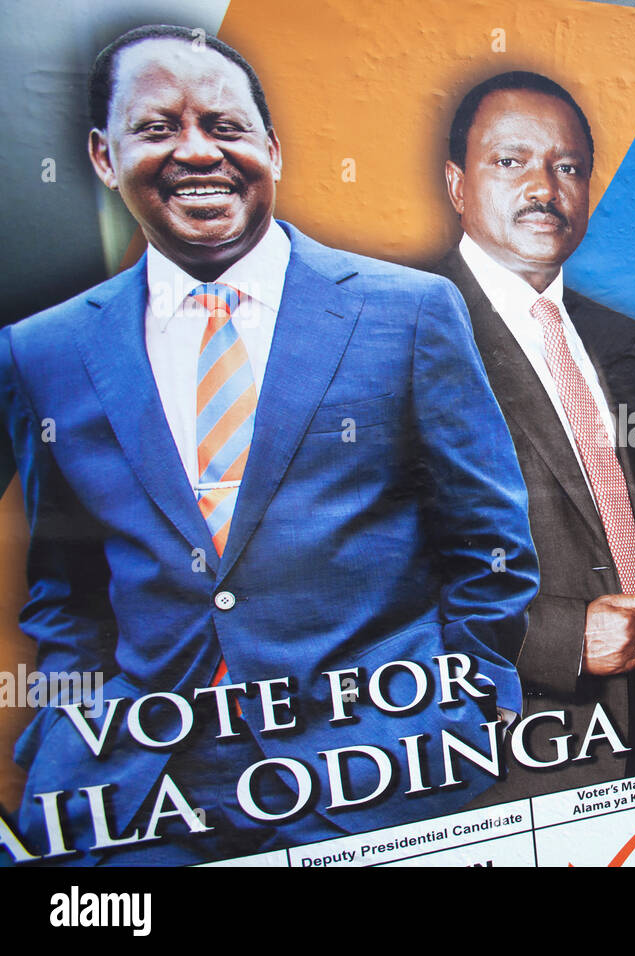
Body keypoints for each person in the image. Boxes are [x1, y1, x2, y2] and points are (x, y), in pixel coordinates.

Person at [0, 26, 538, 864]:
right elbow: (64, 588)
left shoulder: (409, 312)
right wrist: (73, 739)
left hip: (378, 779)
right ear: (104, 157)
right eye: (157, 129)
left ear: (273, 150)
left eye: (224, 125)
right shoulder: (43, 351)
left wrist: (468, 702)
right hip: (141, 798)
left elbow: (491, 545)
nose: (196, 152)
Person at [432, 71, 635, 799]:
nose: (545, 188)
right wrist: (555, 639)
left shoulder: (628, 342)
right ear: (458, 184)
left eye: (568, 167)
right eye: (510, 161)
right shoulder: (395, 335)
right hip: (514, 750)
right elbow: (360, 577)